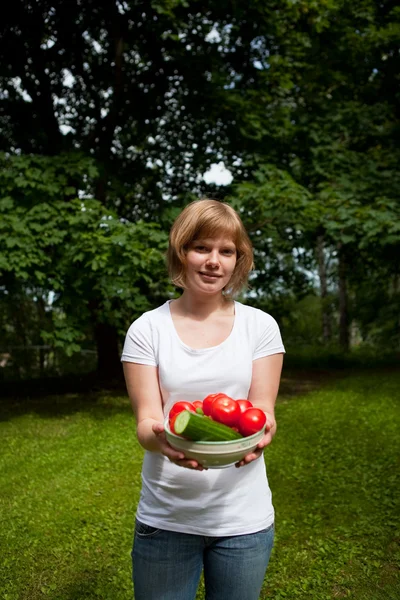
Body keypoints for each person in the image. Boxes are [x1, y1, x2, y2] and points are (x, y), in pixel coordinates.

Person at [121, 198, 285, 600]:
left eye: (226, 251)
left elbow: (263, 412)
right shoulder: (147, 330)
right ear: (182, 252)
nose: (214, 261)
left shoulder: (260, 327)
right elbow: (146, 422)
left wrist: (263, 433)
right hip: (167, 518)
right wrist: (161, 437)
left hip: (243, 519)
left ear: (237, 261)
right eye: (202, 248)